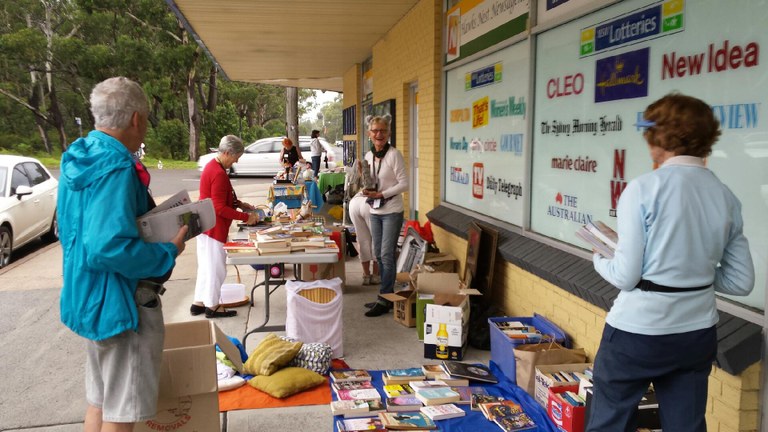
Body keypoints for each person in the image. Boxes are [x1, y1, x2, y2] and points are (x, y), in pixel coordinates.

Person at [586, 93, 755, 432]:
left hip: (638, 332)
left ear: (660, 138)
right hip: (695, 333)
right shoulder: (726, 196)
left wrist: (599, 257)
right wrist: (694, 272)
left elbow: (625, 275)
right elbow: (741, 281)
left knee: (611, 421)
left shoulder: (643, 189)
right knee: (686, 425)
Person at [57, 76, 189, 431]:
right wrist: (166, 252)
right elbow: (107, 246)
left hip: (90, 296)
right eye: (145, 117)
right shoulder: (116, 167)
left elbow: (75, 233)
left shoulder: (80, 158)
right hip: (123, 305)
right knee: (121, 414)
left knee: (99, 404)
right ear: (136, 119)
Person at [193, 135, 259, 318]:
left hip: (204, 225)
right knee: (216, 268)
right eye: (237, 156)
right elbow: (219, 207)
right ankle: (212, 306)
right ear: (228, 152)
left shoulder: (213, 166)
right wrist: (246, 217)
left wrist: (239, 204)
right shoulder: (219, 173)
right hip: (214, 227)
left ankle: (198, 302)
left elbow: (222, 196)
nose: (237, 160)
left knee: (206, 267)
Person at [361, 114, 408, 317]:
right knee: (378, 253)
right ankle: (384, 295)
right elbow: (369, 181)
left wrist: (382, 194)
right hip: (375, 210)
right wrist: (366, 190)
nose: (379, 134)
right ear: (369, 134)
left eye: (383, 131)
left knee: (387, 255)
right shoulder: (369, 155)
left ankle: (385, 297)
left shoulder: (394, 155)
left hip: (391, 211)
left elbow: (404, 184)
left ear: (388, 133)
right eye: (375, 131)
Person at [347, 158, 380, 285]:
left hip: (355, 202)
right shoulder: (380, 169)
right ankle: (376, 275)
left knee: (363, 239)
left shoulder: (357, 169)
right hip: (370, 202)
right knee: (376, 239)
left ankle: (366, 275)